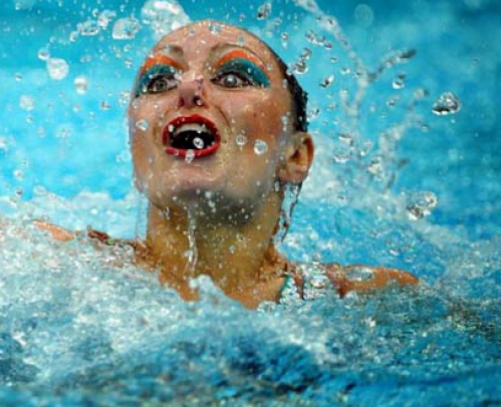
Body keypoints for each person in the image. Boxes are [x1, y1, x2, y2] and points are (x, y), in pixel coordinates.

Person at [38, 19, 417, 308]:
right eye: (158, 82)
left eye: (233, 77)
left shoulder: (361, 299)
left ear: (295, 155)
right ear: (137, 150)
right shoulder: (55, 266)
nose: (187, 88)